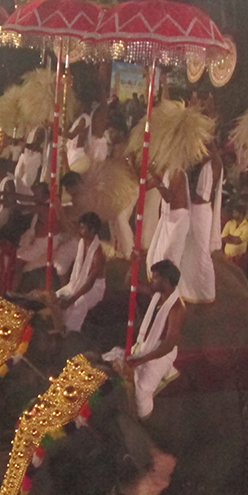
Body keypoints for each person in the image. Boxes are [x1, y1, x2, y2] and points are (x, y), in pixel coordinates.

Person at [111, 260, 187, 418]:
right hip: (146, 345)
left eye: (155, 278)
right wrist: (134, 261)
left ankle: (142, 421)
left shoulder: (177, 309)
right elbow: (130, 284)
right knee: (114, 359)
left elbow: (168, 345)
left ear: (165, 281)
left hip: (162, 354)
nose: (151, 280)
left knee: (142, 389)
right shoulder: (157, 294)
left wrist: (141, 360)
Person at [180, 154, 223, 303]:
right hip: (195, 210)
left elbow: (201, 196)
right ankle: (187, 289)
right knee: (189, 250)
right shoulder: (201, 163)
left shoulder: (212, 164)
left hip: (201, 212)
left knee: (201, 251)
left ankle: (206, 292)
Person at [55, 212, 106, 333]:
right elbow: (68, 225)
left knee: (79, 303)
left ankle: (70, 332)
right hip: (77, 283)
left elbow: (90, 282)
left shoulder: (98, 254)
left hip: (94, 288)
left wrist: (71, 300)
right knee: (56, 297)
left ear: (92, 230)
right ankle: (56, 327)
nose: (79, 230)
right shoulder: (82, 241)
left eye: (83, 228)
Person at [145, 169, 190, 277]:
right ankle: (158, 288)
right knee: (154, 257)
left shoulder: (176, 172)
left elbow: (169, 197)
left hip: (178, 221)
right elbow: (145, 186)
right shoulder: (163, 171)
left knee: (169, 259)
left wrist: (158, 183)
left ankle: (167, 289)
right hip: (167, 219)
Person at [220, 204, 248, 270]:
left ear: (241, 214)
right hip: (227, 257)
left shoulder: (247, 226)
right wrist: (234, 238)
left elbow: (238, 241)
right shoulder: (230, 223)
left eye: (235, 212)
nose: (233, 214)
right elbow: (223, 237)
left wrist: (229, 236)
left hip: (240, 258)